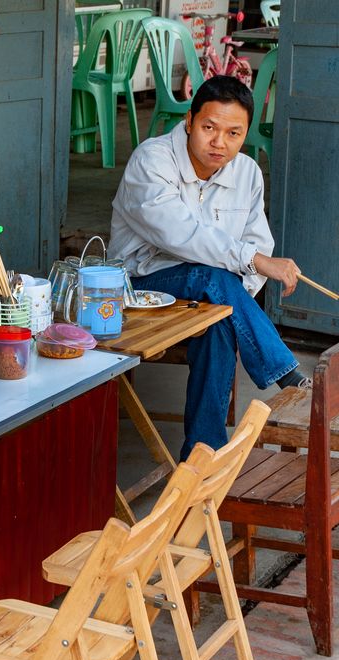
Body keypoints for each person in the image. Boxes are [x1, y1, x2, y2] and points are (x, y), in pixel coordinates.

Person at [109, 75, 307, 462]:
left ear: (246, 133)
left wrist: (234, 297)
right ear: (189, 121)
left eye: (234, 133)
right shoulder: (152, 160)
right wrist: (247, 264)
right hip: (138, 284)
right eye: (209, 128)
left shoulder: (247, 172)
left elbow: (257, 242)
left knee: (219, 319)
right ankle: (285, 372)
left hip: (207, 292)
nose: (220, 142)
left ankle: (201, 457)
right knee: (212, 277)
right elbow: (182, 234)